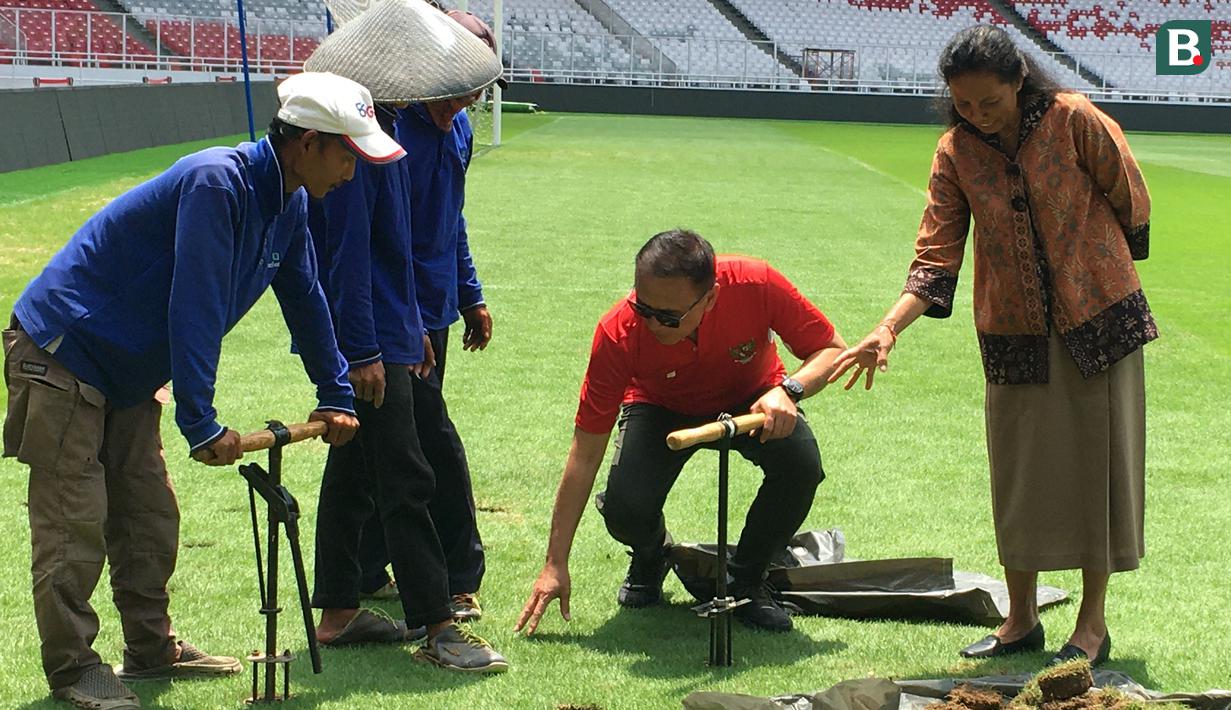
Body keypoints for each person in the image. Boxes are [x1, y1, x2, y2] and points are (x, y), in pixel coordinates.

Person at [1, 71, 380, 710]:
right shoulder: (217, 183)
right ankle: (73, 669)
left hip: (125, 371)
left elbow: (306, 297)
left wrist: (335, 391)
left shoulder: (288, 201)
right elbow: (195, 303)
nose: (353, 169)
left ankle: (150, 651)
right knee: (75, 525)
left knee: (149, 516)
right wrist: (200, 422)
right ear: (309, 143)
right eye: (348, 152)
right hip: (66, 353)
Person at [828, 25, 1154, 667]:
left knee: (1098, 466)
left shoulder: (1074, 119)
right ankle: (1020, 618)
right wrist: (888, 326)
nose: (976, 115)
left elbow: (1130, 198)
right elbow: (937, 250)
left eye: (989, 103)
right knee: (1019, 474)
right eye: (964, 105)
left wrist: (1096, 262)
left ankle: (1091, 626)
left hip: (1099, 318)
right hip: (1011, 331)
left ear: (1019, 82)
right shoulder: (955, 151)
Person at [515, 229, 847, 635]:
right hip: (660, 405)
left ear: (711, 297)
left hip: (754, 395)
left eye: (668, 316)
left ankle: (748, 581)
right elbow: (584, 455)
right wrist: (555, 563)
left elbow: (831, 348)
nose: (653, 323)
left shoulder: (756, 282)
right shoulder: (617, 333)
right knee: (625, 508)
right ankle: (651, 553)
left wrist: (788, 391)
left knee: (801, 467)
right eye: (643, 308)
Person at [306, 91, 508, 672]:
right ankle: (437, 625)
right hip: (371, 338)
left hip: (397, 324)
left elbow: (401, 243)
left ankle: (339, 609)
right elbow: (347, 257)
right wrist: (368, 346)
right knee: (407, 470)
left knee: (355, 463)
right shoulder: (360, 144)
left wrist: (414, 318)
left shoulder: (386, 128)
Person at [354, 9, 505, 624]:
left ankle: (362, 571)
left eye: (477, 89)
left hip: (433, 314)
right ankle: (453, 575)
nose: (466, 99)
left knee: (381, 444)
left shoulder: (459, 128)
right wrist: (406, 321)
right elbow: (383, 243)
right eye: (459, 85)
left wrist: (470, 292)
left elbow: (452, 219)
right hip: (396, 322)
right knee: (424, 445)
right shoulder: (388, 129)